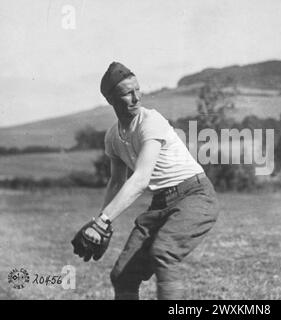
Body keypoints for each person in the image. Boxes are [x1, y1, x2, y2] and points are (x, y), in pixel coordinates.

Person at [71, 62, 220, 300]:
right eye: (127, 93)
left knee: (163, 253)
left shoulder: (151, 121)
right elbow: (117, 182)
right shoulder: (113, 137)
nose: (136, 97)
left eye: (138, 90)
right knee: (122, 276)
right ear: (111, 100)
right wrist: (102, 224)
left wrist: (101, 222)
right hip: (161, 204)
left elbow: (140, 179)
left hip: (195, 195)